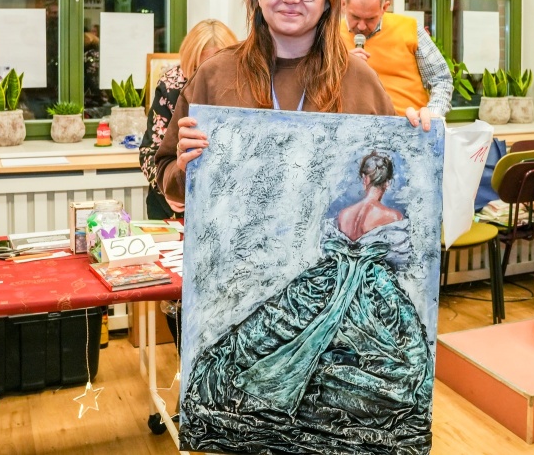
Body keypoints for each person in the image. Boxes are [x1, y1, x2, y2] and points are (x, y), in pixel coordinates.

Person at [155, 0, 434, 213]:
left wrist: (417, 140)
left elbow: (394, 186)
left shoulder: (360, 80)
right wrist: (185, 168)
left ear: (328, 0)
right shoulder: (216, 74)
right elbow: (168, 177)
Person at [181, 149, 432, 453]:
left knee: (287, 323)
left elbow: (333, 247)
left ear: (364, 179)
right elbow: (400, 259)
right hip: (372, 283)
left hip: (331, 276)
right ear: (387, 183)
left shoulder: (345, 214)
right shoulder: (392, 217)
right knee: (402, 349)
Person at [139, 19, 238, 219]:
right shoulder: (171, 86)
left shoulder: (243, 89)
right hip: (173, 208)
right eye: (196, 68)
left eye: (213, 69)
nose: (203, 78)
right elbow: (150, 152)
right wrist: (169, 188)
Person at [340, 0, 454, 118]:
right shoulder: (330, 36)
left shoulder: (409, 28)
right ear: (343, 4)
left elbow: (441, 79)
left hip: (410, 123)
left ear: (384, 8)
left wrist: (432, 115)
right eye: (355, 17)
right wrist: (341, 68)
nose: (361, 26)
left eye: (370, 19)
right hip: (355, 126)